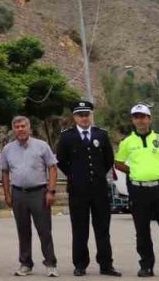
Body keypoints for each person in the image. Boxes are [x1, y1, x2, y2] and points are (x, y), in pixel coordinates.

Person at [114, 104, 159, 279]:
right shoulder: (127, 142)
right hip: (139, 191)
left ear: (149, 119)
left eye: (143, 116)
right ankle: (146, 266)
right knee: (142, 231)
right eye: (136, 117)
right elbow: (119, 163)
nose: (140, 120)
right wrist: (136, 174)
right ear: (132, 120)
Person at [56, 101, 118, 277]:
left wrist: (97, 176)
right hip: (78, 190)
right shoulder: (67, 137)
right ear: (74, 117)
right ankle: (80, 264)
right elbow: (61, 160)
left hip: (98, 189)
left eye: (86, 114)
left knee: (102, 228)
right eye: (80, 115)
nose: (84, 118)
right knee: (79, 228)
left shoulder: (102, 135)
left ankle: (106, 265)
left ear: (90, 116)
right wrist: (75, 176)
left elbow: (108, 160)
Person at [0, 116, 59, 278]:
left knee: (44, 230)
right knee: (23, 231)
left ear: (29, 128)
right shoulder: (7, 149)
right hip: (18, 193)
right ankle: (26, 264)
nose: (20, 129)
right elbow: (4, 172)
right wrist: (7, 194)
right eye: (17, 126)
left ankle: (51, 263)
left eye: (23, 126)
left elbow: (52, 167)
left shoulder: (41, 146)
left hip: (39, 193)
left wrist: (51, 191)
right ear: (13, 129)